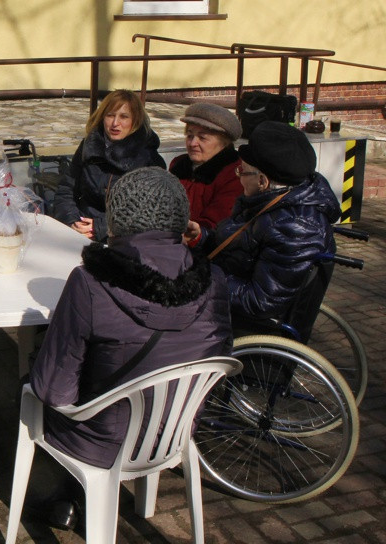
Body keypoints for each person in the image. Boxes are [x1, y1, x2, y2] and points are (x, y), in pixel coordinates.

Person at [31, 166, 232, 472]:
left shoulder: (91, 282)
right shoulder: (214, 279)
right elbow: (219, 354)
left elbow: (54, 392)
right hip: (175, 433)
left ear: (116, 218)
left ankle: (67, 496)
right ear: (179, 218)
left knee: (31, 383)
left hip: (101, 442)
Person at [186, 121, 341, 336]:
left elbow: (260, 301)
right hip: (226, 292)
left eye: (242, 171)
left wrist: (200, 282)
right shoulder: (270, 204)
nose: (238, 177)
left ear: (262, 181)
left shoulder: (295, 228)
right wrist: (202, 236)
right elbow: (242, 245)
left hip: (246, 326)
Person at [53, 89, 166, 242]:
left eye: (124, 117)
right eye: (110, 115)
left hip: (124, 241)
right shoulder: (89, 146)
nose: (115, 123)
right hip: (81, 231)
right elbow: (66, 190)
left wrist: (101, 228)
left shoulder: (148, 158)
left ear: (135, 120)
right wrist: (73, 222)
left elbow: (148, 212)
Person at [169, 102, 243, 238]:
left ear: (223, 143)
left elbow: (216, 223)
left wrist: (195, 234)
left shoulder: (235, 175)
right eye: (190, 135)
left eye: (202, 138)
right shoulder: (178, 165)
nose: (192, 143)